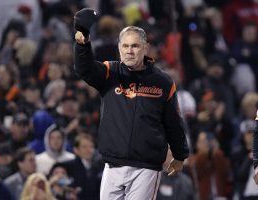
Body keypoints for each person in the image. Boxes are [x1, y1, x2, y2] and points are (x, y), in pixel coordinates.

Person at [73, 8, 189, 200]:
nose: (129, 51)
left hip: (146, 168)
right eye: (125, 46)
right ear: (119, 48)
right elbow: (84, 69)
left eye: (135, 46)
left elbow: (173, 122)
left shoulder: (163, 82)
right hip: (112, 165)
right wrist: (83, 44)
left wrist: (179, 155)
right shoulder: (111, 72)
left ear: (145, 48)